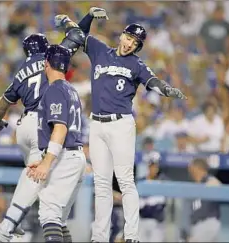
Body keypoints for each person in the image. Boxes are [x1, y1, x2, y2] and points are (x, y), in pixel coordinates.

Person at [56, 14, 186, 242]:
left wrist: (167, 90)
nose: (129, 44)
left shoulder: (136, 64)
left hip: (120, 125)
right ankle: (100, 237)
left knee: (125, 181)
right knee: (102, 184)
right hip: (97, 124)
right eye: (128, 38)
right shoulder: (100, 50)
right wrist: (80, 17)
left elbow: (152, 81)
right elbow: (77, 35)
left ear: (138, 47)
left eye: (135, 43)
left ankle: (132, 236)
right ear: (122, 35)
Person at [0, 8, 109, 243]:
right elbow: (77, 35)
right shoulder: (53, 62)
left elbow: (1, 104)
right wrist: (87, 18)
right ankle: (8, 225)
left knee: (38, 178)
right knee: (38, 177)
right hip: (44, 123)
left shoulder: (20, 73)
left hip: (23, 125)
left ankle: (16, 220)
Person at [27, 44, 86, 242]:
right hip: (74, 156)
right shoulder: (71, 89)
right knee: (58, 220)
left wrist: (47, 162)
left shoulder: (55, 89)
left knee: (49, 214)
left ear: (46, 64)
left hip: (65, 156)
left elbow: (60, 129)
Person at [187, 158, 222, 242]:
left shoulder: (209, 180)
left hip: (207, 223)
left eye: (191, 169)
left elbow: (218, 185)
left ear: (197, 168)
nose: (190, 172)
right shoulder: (197, 185)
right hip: (199, 225)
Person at [137, 151, 169, 242]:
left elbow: (161, 203)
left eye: (156, 166)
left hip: (157, 223)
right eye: (152, 165)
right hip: (142, 221)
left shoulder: (163, 181)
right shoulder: (141, 181)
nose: (154, 168)